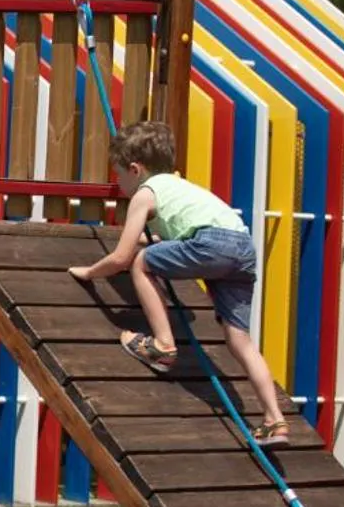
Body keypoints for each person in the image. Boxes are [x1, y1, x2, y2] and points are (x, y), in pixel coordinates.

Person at [67, 121, 291, 447]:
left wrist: (89, 272)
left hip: (211, 244)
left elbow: (121, 257)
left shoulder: (145, 194)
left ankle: (162, 344)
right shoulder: (181, 186)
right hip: (242, 247)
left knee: (142, 264)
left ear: (135, 168)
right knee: (240, 339)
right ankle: (275, 420)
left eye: (118, 174)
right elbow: (175, 232)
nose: (117, 182)